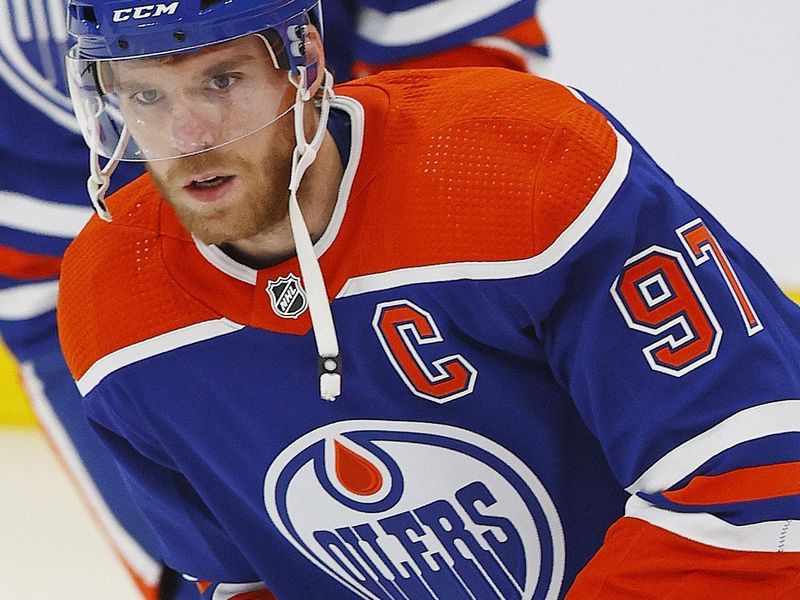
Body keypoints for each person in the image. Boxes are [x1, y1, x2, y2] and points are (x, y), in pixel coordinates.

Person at [57, 0, 800, 598]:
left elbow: (759, 492)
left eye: (223, 81)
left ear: (306, 63)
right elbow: (241, 579)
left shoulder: (522, 168)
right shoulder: (114, 304)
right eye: (147, 94)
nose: (188, 136)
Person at [1, 0, 546, 597]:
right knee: (218, 577)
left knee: (525, 526)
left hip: (358, 235)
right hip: (82, 292)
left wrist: (382, 216)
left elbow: (459, 87)